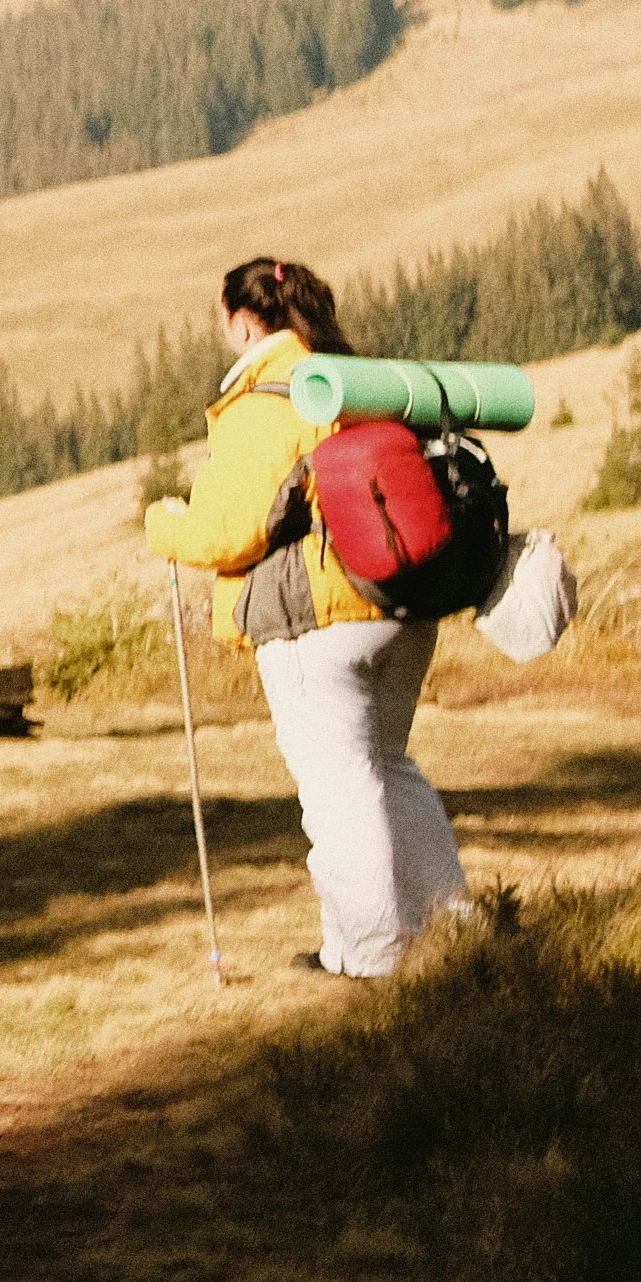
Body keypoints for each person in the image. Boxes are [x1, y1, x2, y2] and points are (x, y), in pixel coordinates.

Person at [141, 254, 467, 980]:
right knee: (389, 768)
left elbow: (229, 531)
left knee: (339, 786)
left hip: (314, 621)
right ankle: (452, 929)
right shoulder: (350, 381)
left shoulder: (267, 398)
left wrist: (164, 524)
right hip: (400, 605)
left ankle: (372, 957)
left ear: (240, 320)